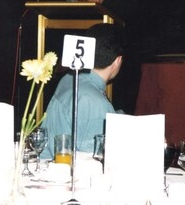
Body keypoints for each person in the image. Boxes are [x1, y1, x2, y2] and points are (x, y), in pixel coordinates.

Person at [40, 23, 124, 159]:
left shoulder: (69, 78)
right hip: (65, 174)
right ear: (117, 61)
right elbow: (94, 161)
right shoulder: (97, 103)